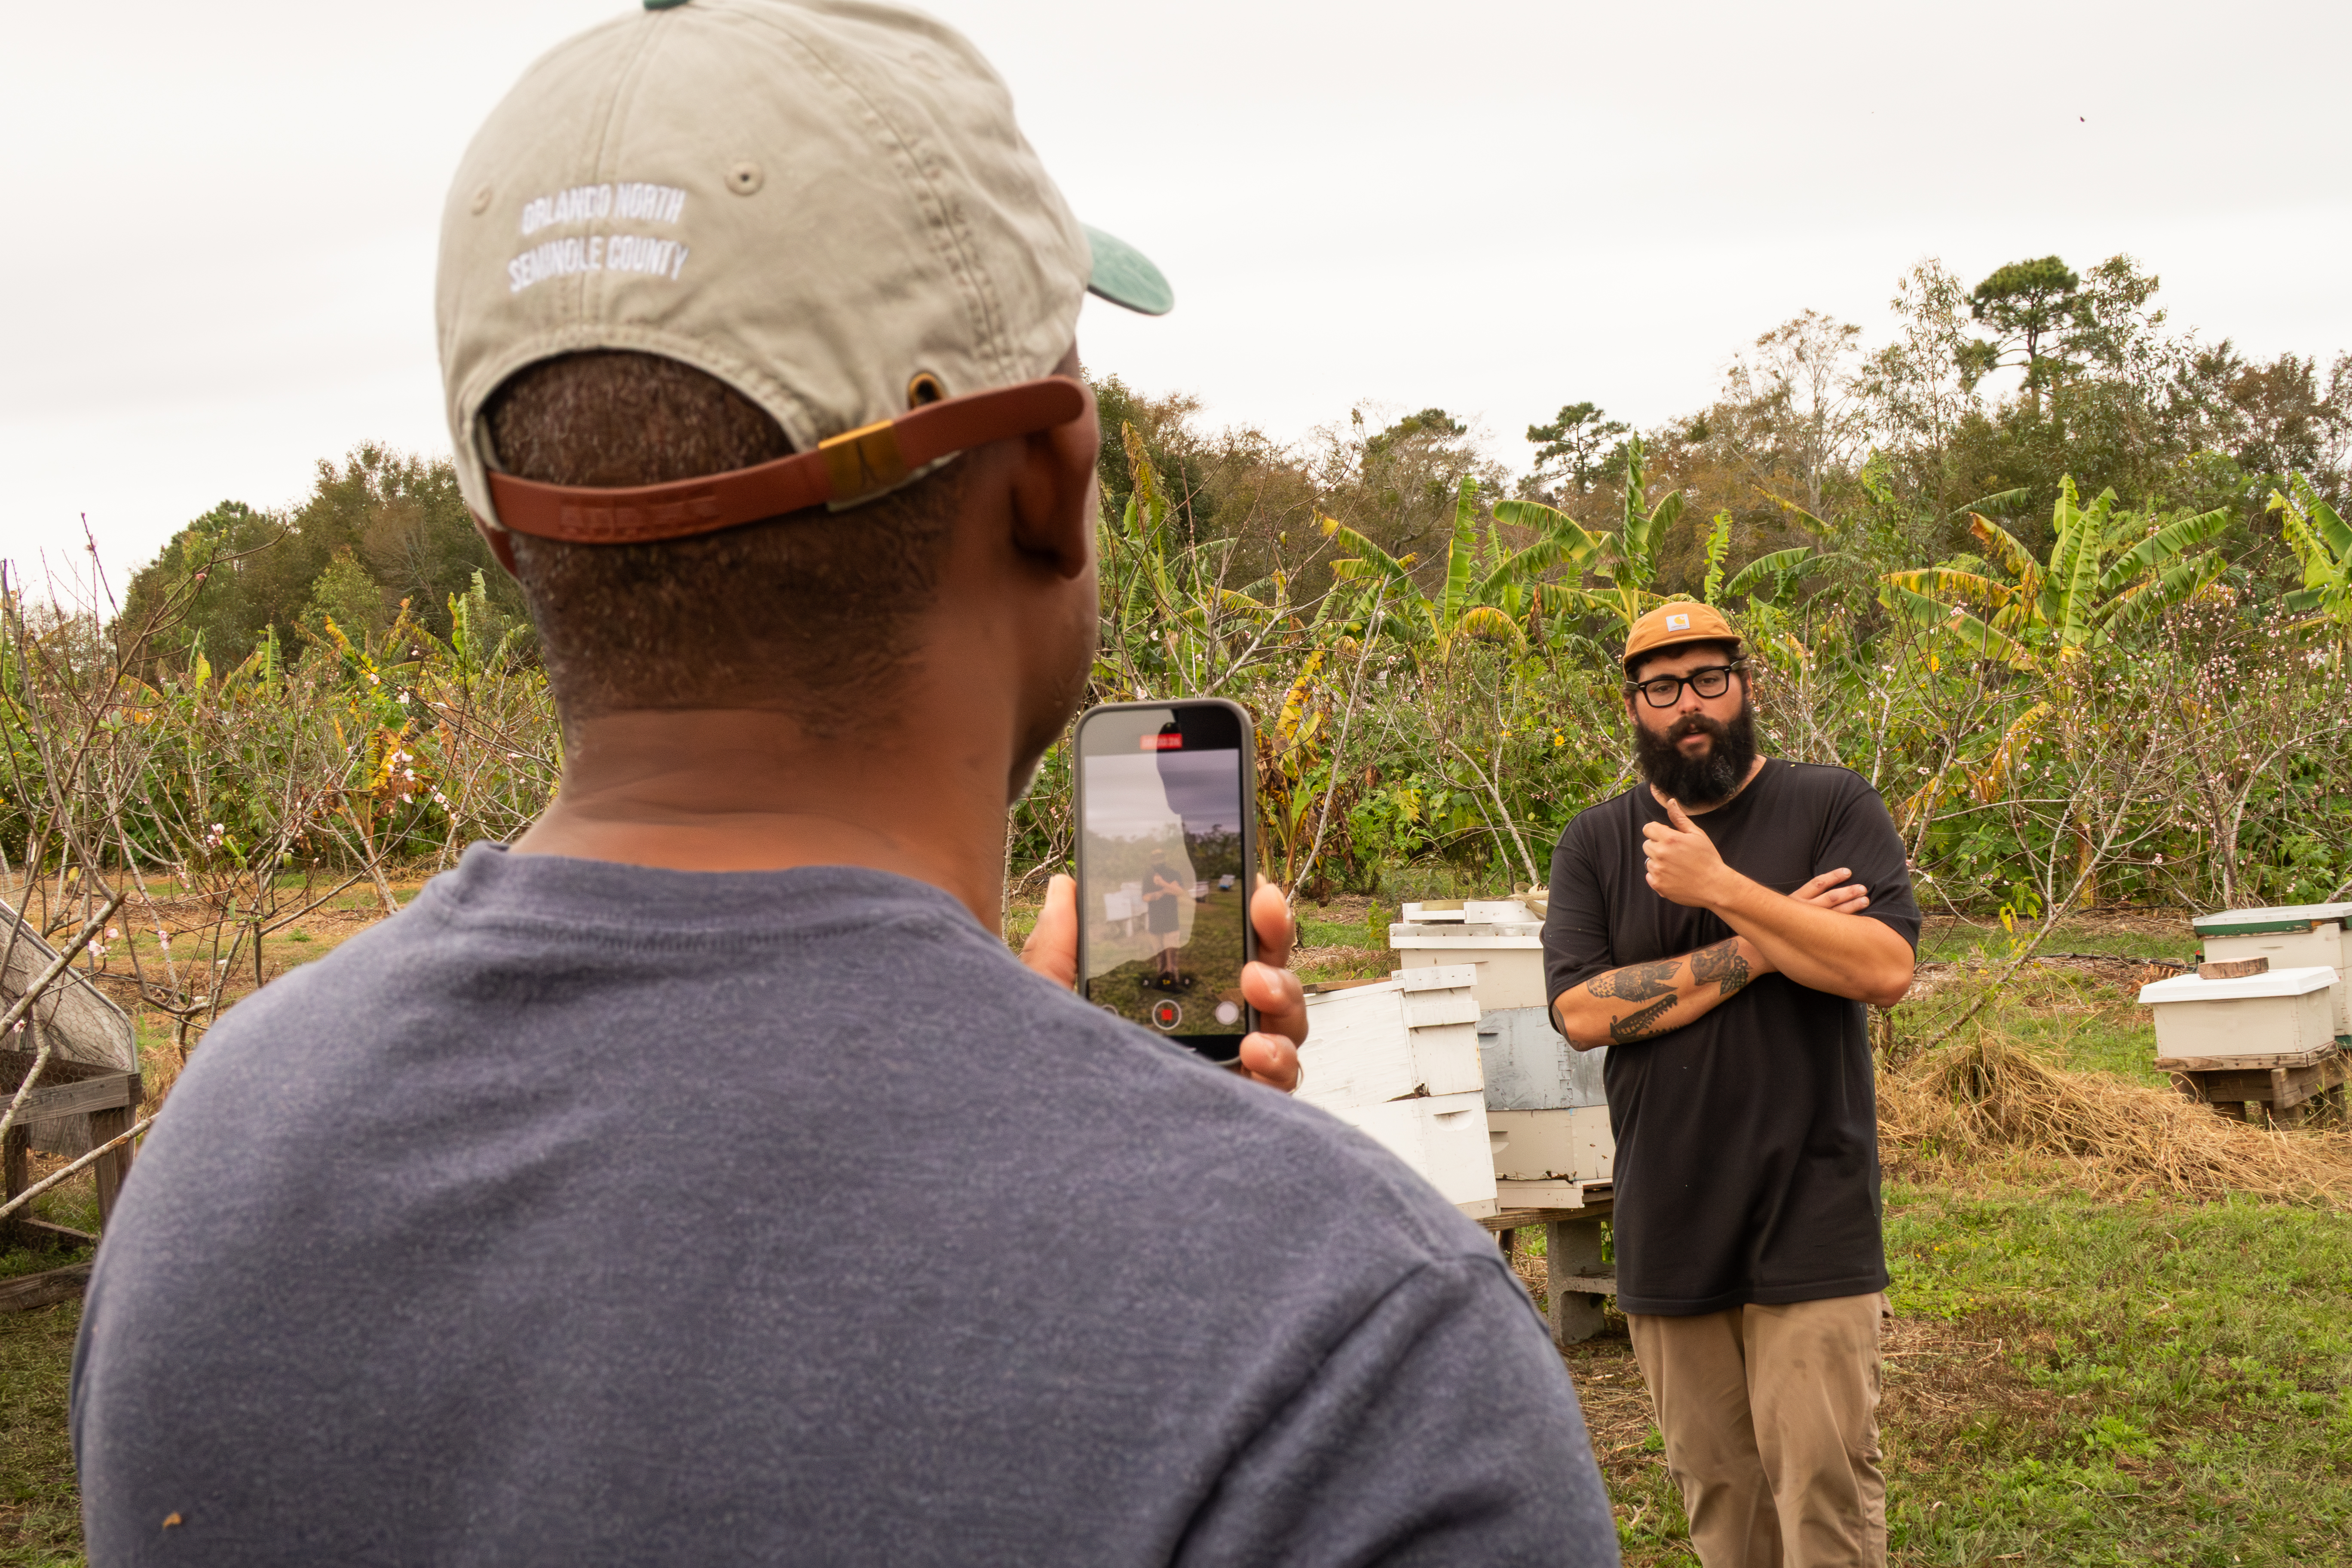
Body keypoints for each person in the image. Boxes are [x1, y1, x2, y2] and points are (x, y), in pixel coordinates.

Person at [71, 3, 1620, 1562]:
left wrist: (1054, 1090)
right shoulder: (1348, 1346)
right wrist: (1106, 1142)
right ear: (1052, 484)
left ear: (502, 531)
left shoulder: (216, 1169)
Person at [1541, 602, 1919, 1568]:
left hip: (1813, 1207)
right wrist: (1775, 939)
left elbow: (1880, 970)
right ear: (1633, 707)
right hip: (1669, 1218)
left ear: (1746, 687)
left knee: (1824, 1494)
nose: (1688, 707)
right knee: (1722, 1503)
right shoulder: (1597, 842)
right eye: (1662, 689)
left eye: (1708, 679)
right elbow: (1584, 1013)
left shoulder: (1831, 805)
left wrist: (1721, 889)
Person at [1146, 860, 1190, 986]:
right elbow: (1146, 897)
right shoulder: (1148, 878)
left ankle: (1172, 979)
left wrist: (1163, 883)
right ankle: (1162, 980)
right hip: (1155, 921)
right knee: (1160, 953)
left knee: (1171, 952)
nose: (1158, 859)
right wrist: (1167, 889)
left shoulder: (1174, 874)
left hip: (1171, 920)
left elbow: (1180, 892)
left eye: (1160, 856)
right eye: (1155, 857)